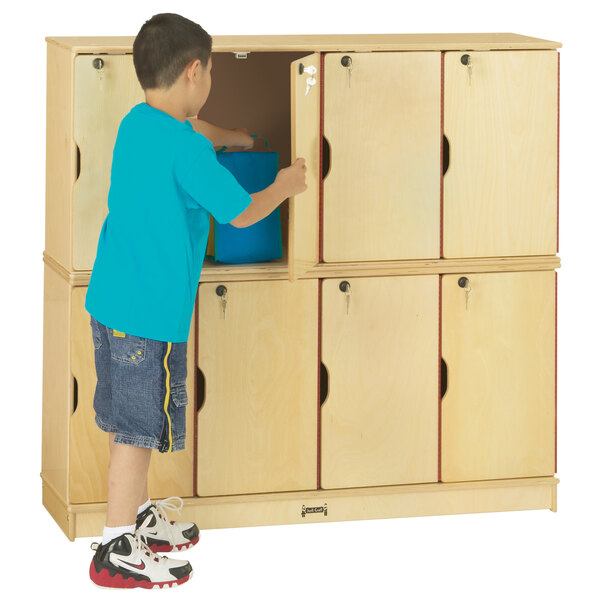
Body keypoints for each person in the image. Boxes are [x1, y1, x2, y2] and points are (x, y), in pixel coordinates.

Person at [85, 12, 307, 589]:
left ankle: (135, 521)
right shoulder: (189, 155)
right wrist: (284, 184)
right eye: (210, 72)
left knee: (127, 420)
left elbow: (193, 131)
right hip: (148, 316)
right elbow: (239, 212)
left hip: (110, 301)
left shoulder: (136, 123)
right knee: (137, 432)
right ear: (194, 72)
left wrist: (231, 137)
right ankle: (116, 547)